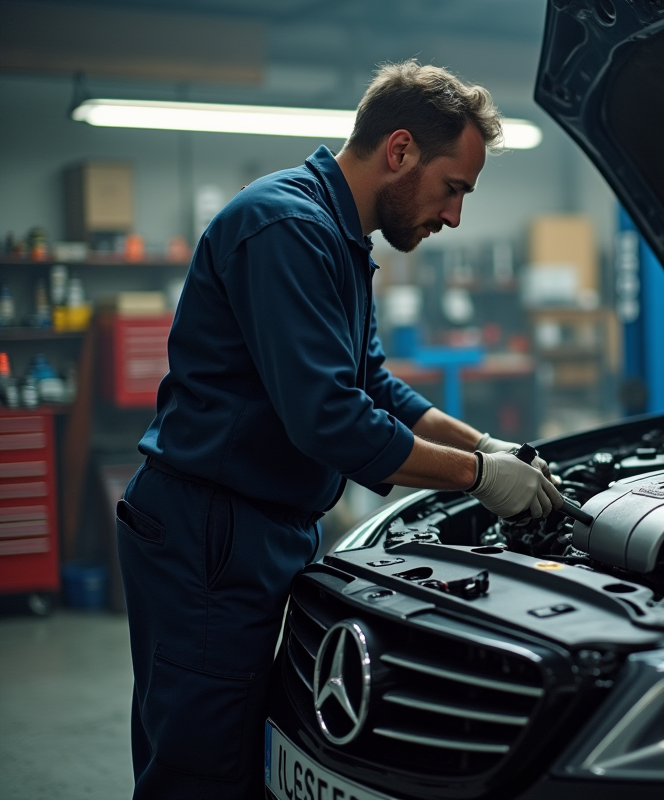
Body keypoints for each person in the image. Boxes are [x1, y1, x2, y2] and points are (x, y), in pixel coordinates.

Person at [115, 60, 561, 800]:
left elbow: (372, 383)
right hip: (211, 531)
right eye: (454, 188)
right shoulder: (287, 226)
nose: (454, 216)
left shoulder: (340, 237)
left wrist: (480, 444)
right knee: (201, 772)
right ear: (399, 151)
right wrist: (480, 480)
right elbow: (330, 419)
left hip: (258, 524)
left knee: (243, 752)